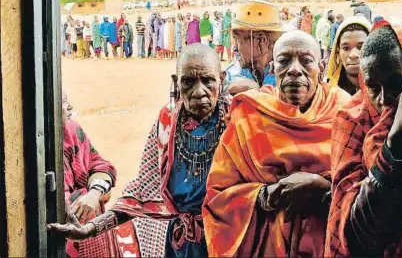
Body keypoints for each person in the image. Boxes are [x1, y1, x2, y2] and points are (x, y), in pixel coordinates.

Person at [49, 44, 232, 258]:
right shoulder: (168, 123)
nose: (199, 91)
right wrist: (91, 228)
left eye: (208, 80)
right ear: (176, 82)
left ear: (221, 78)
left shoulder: (238, 120)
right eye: (188, 82)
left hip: (230, 240)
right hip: (181, 244)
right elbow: (142, 191)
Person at [203, 31, 351, 257]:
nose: (294, 69)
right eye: (284, 60)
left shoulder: (345, 111)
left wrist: (321, 188)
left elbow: (365, 188)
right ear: (273, 69)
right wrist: (266, 194)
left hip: (329, 245)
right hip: (268, 247)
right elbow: (218, 196)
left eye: (306, 60)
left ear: (320, 68)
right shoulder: (250, 115)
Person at [326, 21, 402, 257]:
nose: (383, 100)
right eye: (373, 87)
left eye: (396, 84)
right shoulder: (351, 120)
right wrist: (394, 143)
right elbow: (354, 233)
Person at [60, 91, 125, 257]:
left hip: (86, 231)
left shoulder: (72, 130)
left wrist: (95, 192)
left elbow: (101, 165)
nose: (70, 107)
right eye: (64, 101)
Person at [224, 0, 283, 90]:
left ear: (261, 40)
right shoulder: (230, 76)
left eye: (238, 40)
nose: (235, 48)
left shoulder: (286, 75)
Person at [327, 16, 372, 95]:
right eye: (346, 48)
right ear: (338, 51)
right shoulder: (329, 92)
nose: (353, 55)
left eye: (361, 47)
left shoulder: (386, 91)